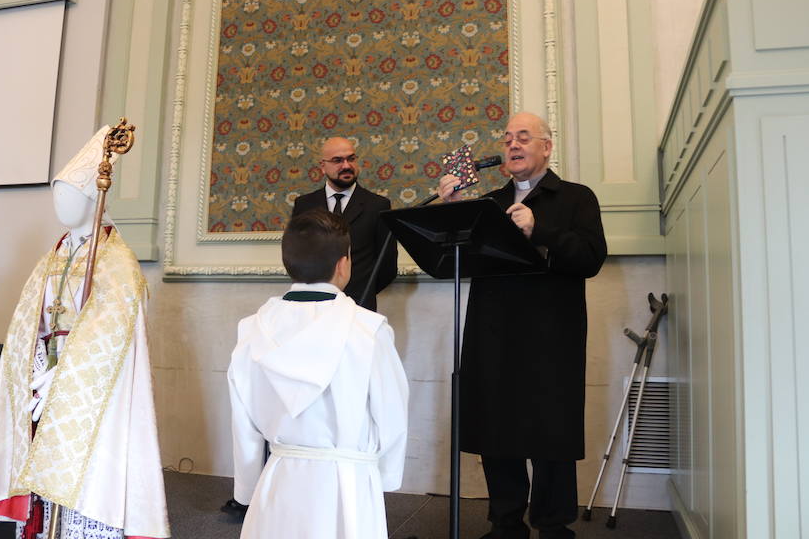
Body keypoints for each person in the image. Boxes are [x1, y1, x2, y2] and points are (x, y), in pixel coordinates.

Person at [0, 127, 170, 539]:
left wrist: (65, 377)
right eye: (56, 194)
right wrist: (37, 368)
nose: (59, 204)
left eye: (67, 195)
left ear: (93, 198)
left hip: (90, 394)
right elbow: (30, 322)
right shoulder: (55, 256)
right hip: (43, 382)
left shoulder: (118, 264)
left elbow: (111, 337)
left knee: (85, 479)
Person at [438, 112, 607, 539]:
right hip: (494, 332)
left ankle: (552, 524)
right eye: (508, 138)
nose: (513, 145)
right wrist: (451, 212)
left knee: (550, 430)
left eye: (524, 137)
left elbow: (591, 258)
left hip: (552, 336)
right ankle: (506, 522)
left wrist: (540, 230)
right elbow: (449, 260)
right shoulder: (489, 204)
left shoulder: (576, 198)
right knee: (497, 427)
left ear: (546, 147)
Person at [228, 209, 408, 539]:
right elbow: (392, 413)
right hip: (348, 482)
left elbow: (243, 424)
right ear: (344, 263)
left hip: (279, 477)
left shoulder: (252, 330)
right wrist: (383, 475)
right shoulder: (368, 331)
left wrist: (247, 487)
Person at [291, 136, 397, 311]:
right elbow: (296, 256)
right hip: (312, 308)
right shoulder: (304, 205)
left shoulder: (378, 206)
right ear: (322, 166)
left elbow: (387, 266)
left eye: (351, 159)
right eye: (337, 160)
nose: (346, 165)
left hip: (360, 307)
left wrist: (364, 292)